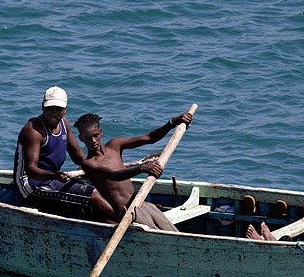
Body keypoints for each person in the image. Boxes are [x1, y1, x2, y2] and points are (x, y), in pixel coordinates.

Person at [73, 111, 193, 231]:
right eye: (88, 138)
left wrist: (172, 123)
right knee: (164, 239)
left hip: (143, 204)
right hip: (129, 214)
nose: (93, 141)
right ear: (81, 138)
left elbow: (150, 138)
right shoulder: (88, 164)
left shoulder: (115, 145)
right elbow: (115, 175)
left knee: (175, 233)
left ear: (101, 132)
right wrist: (141, 168)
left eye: (95, 135)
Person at [13, 86, 114, 221]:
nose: (55, 113)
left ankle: (116, 221)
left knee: (102, 191)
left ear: (65, 110)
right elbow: (31, 170)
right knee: (93, 196)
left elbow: (75, 151)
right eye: (50, 109)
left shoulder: (64, 123)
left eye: (59, 109)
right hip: (31, 186)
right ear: (43, 107)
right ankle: (123, 220)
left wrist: (86, 164)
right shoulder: (33, 130)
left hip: (53, 179)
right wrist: (53, 175)